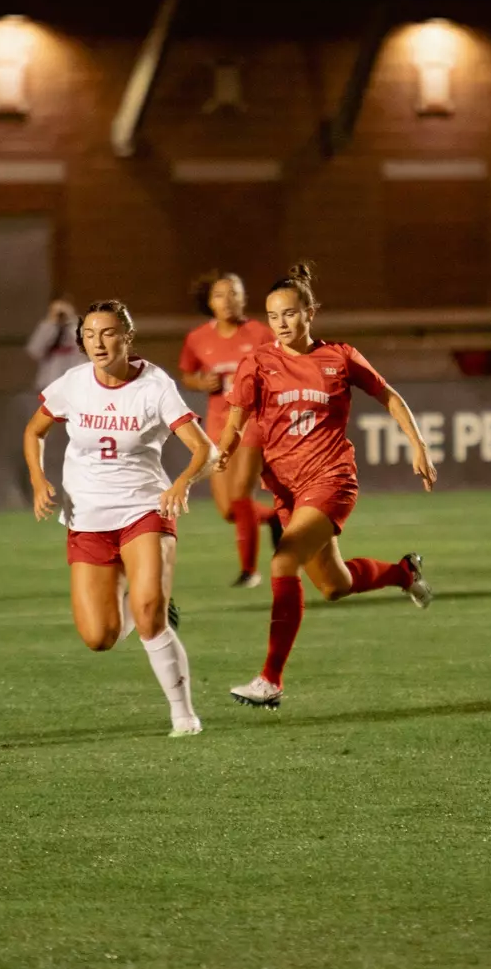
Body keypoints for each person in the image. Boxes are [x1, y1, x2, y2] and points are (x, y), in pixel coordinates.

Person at [216, 263, 437, 709]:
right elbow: (236, 418)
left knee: (282, 563)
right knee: (334, 586)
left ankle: (270, 680)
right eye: (274, 315)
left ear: (310, 312)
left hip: (331, 478)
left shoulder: (340, 357)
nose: (281, 323)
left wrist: (418, 444)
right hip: (287, 489)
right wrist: (223, 449)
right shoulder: (258, 362)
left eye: (290, 313)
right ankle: (404, 573)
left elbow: (389, 396)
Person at [23, 298, 216, 736]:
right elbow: (34, 430)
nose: (97, 342)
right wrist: (38, 479)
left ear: (127, 337)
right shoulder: (72, 383)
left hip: (144, 509)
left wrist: (182, 482)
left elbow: (206, 449)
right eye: (89, 335)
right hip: (87, 518)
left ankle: (183, 715)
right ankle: (147, 605)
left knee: (149, 614)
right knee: (99, 637)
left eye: (108, 333)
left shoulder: (154, 386)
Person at [179, 271, 281, 587]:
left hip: (252, 422)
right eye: (220, 295)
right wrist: (200, 382)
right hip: (217, 425)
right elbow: (187, 374)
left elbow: (281, 370)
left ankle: (250, 572)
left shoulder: (262, 334)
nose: (228, 300)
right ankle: (275, 518)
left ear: (245, 298)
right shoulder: (197, 339)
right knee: (228, 510)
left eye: (234, 293)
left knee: (240, 494)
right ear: (210, 302)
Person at [26, 297, 87, 390]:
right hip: (50, 377)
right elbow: (34, 351)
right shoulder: (46, 327)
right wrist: (51, 324)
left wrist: (70, 321)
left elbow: (84, 349)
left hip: (73, 376)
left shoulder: (77, 327)